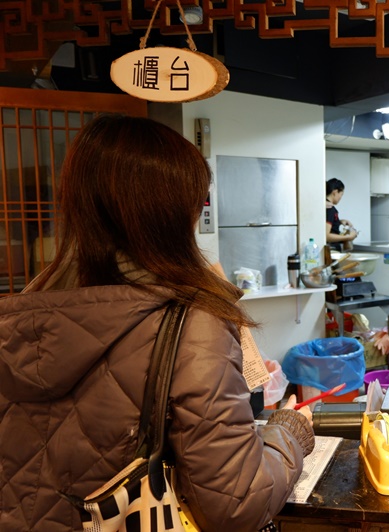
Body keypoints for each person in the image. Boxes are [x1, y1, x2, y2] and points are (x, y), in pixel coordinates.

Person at [0, 115, 315, 531]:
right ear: (169, 213)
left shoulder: (25, 306)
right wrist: (290, 432)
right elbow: (236, 505)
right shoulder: (193, 320)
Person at [326, 178, 358, 251]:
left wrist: (339, 222)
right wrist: (348, 237)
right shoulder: (330, 208)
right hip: (331, 251)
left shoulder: (324, 206)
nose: (341, 197)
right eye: (341, 194)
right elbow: (326, 236)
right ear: (335, 192)